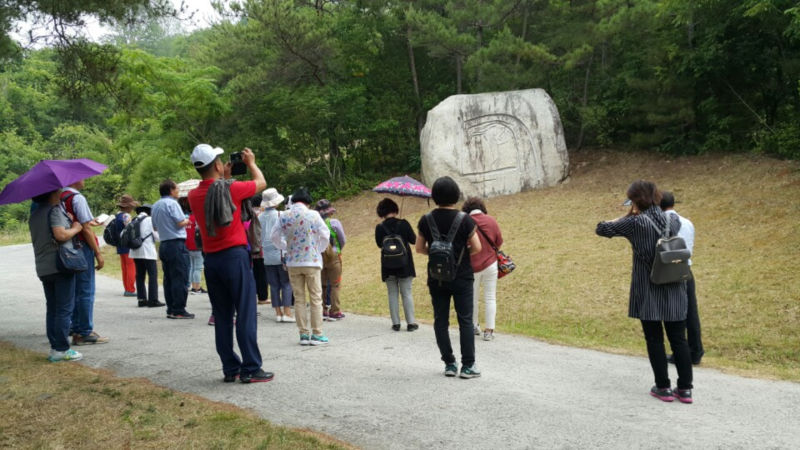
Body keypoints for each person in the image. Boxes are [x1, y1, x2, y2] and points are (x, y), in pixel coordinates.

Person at [595, 180, 694, 403]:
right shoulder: (673, 219)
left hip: (649, 287)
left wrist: (627, 215)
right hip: (674, 285)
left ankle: (663, 387)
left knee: (654, 339)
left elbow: (602, 229)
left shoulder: (635, 223)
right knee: (679, 339)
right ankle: (686, 388)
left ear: (635, 200)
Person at [187, 143, 274, 383]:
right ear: (216, 164)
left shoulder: (193, 196)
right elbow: (261, 183)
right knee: (245, 312)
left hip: (211, 259)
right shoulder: (231, 189)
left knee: (223, 316)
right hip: (234, 256)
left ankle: (230, 367)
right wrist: (251, 163)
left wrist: (223, 176)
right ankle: (251, 368)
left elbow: (214, 191)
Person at [416, 176, 482, 379]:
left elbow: (419, 248)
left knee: (440, 320)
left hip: (437, 277)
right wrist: (458, 257)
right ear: (456, 195)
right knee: (465, 320)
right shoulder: (465, 219)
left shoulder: (426, 220)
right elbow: (477, 247)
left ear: (434, 196)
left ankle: (450, 364)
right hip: (462, 277)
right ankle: (468, 366)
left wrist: (437, 254)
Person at [29, 189, 84, 362]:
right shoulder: (54, 211)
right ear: (52, 194)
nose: (60, 192)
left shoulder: (35, 214)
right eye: (58, 191)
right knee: (64, 308)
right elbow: (60, 235)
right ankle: (61, 349)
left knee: (52, 308)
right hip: (60, 265)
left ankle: (55, 348)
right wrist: (75, 227)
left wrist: (65, 219)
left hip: (44, 267)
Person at [271, 187, 330, 346]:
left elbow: (274, 236)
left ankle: (303, 334)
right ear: (307, 202)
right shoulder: (313, 215)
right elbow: (325, 235)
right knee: (316, 298)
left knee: (299, 299)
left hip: (293, 263)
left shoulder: (284, 216)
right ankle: (317, 334)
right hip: (311, 261)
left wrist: (285, 246)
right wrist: (319, 249)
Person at [60, 179, 109, 346]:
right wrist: (97, 253)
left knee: (73, 290)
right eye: (82, 177)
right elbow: (85, 228)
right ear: (74, 180)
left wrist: (89, 222)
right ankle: (84, 332)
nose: (85, 180)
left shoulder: (60, 197)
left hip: (67, 248)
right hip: (82, 248)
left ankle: (73, 326)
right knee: (86, 290)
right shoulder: (77, 197)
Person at [661, 191, 704, 365]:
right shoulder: (688, 222)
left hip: (669, 270)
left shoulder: (662, 222)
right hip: (686, 268)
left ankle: (679, 352)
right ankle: (696, 350)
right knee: (691, 312)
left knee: (674, 314)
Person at [462, 197, 503, 342]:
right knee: (490, 297)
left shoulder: (465, 221)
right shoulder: (491, 220)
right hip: (490, 264)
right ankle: (489, 331)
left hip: (471, 266)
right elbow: (499, 241)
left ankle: (474, 326)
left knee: (472, 298)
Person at [374, 198, 418, 332]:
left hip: (388, 265)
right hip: (404, 264)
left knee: (392, 293)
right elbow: (414, 240)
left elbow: (379, 244)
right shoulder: (403, 224)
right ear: (395, 209)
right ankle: (411, 323)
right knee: (407, 293)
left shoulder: (380, 227)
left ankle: (396, 323)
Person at [151, 179, 192, 319]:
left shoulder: (155, 205)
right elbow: (180, 222)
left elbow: (155, 227)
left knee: (168, 277)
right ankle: (179, 309)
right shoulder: (172, 204)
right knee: (180, 276)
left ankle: (171, 308)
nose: (178, 191)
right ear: (171, 190)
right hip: (176, 242)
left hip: (164, 243)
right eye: (176, 189)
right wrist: (187, 219)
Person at [259, 188, 294, 323]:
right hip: (281, 253)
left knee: (273, 285)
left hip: (266, 255)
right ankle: (287, 312)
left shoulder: (259, 217)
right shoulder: (281, 215)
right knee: (286, 283)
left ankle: (278, 313)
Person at [316, 199, 346, 321]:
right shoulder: (334, 223)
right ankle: (335, 311)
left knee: (322, 285)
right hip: (334, 255)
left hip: (319, 256)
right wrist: (337, 250)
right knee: (335, 285)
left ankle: (323, 310)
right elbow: (342, 240)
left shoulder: (314, 223)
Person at [129, 204, 164, 308]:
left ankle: (141, 299)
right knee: (152, 275)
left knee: (139, 275)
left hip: (135, 251)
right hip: (147, 251)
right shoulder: (150, 220)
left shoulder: (134, 220)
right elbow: (157, 237)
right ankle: (153, 300)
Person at [115, 194, 139, 297]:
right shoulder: (126, 216)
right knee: (131, 267)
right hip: (128, 245)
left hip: (120, 244)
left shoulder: (117, 216)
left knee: (124, 267)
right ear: (127, 206)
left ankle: (127, 287)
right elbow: (131, 230)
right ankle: (130, 289)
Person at [250, 194, 270, 305]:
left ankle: (252, 295)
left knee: (252, 273)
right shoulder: (262, 214)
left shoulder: (247, 213)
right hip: (261, 248)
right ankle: (262, 297)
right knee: (262, 274)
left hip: (249, 247)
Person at [185, 207, 207, 295]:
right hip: (197, 246)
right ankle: (196, 288)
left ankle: (191, 286)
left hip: (187, 246)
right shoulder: (197, 218)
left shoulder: (186, 219)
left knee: (191, 267)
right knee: (198, 268)